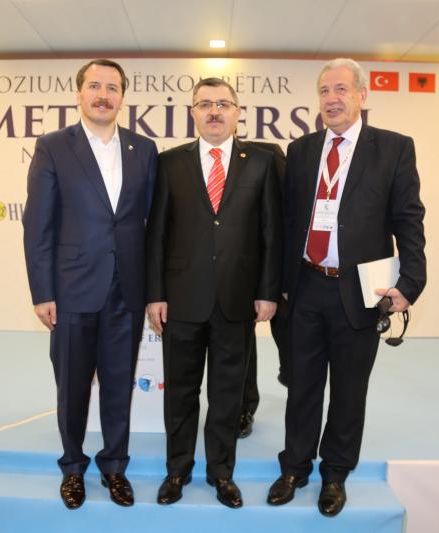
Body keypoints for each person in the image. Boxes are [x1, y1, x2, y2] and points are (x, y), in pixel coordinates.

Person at [267, 58, 426, 517]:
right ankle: (295, 467)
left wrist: (410, 282)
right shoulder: (301, 150)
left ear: (361, 95)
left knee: (349, 389)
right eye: (324, 91)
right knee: (302, 385)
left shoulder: (393, 148)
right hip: (306, 286)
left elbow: (408, 220)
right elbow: (288, 222)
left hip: (360, 290)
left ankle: (335, 473)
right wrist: (280, 285)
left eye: (340, 89)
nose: (331, 99)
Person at [22, 59, 158, 509]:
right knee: (73, 386)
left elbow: (150, 223)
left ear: (123, 97)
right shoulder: (53, 147)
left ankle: (114, 466)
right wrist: (43, 292)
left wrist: (153, 289)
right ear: (79, 93)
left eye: (112, 87)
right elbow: (37, 225)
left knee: (119, 384)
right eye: (95, 86)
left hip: (127, 289)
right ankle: (73, 467)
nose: (103, 95)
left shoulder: (143, 149)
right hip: (71, 290)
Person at [145, 78, 282, 508]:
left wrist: (268, 291)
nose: (214, 111)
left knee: (226, 395)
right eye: (204, 104)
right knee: (180, 393)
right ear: (193, 113)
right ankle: (177, 471)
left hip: (237, 300)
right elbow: (157, 234)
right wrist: (155, 294)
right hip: (181, 299)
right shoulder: (169, 163)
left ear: (238, 111)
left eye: (223, 103)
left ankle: (221, 473)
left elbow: (271, 233)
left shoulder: (261, 162)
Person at [239, 141, 288, 439]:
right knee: (241, 341)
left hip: (270, 263)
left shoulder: (267, 155)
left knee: (286, 328)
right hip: (233, 268)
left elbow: (284, 211)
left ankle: (289, 370)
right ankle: (243, 408)